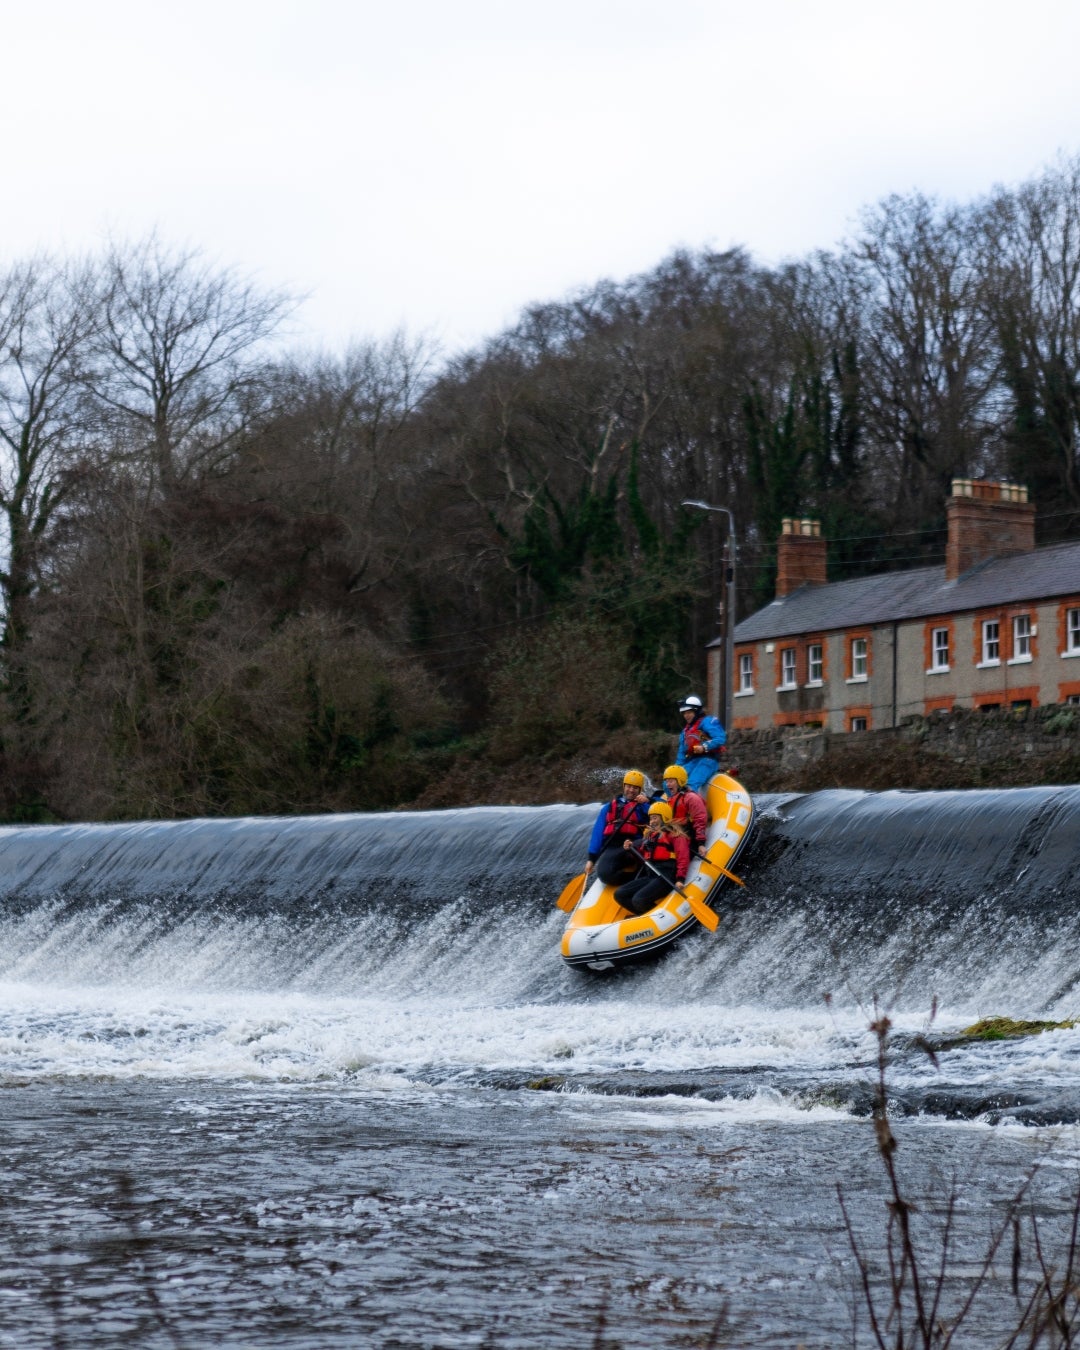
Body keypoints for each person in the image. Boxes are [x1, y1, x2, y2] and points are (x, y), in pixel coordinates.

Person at [613, 801, 690, 917]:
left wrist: (680, 879)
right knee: (619, 894)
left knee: (638, 900)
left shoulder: (674, 835)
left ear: (664, 817)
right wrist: (631, 849)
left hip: (666, 877)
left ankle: (659, 918)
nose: (652, 821)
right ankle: (644, 915)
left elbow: (683, 857)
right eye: (651, 819)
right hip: (651, 876)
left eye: (655, 818)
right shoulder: (650, 837)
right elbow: (642, 859)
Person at [585, 770, 650, 887]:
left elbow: (659, 812)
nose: (631, 790)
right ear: (624, 786)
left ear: (640, 790)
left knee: (638, 852)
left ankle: (646, 875)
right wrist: (592, 859)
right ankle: (637, 878)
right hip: (614, 846)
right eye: (629, 786)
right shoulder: (608, 807)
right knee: (604, 874)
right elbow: (597, 833)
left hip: (634, 844)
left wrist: (648, 801)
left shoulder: (643, 805)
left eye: (635, 788)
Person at [675, 694, 726, 793]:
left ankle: (690, 801)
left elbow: (720, 738)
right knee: (672, 779)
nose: (686, 715)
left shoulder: (708, 722)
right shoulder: (685, 732)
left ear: (697, 711)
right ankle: (673, 803)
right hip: (692, 762)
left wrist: (704, 747)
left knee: (691, 783)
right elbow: (681, 756)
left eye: (689, 712)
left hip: (708, 760)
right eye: (684, 713)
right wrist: (676, 771)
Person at [661, 764, 709, 855]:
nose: (668, 784)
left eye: (671, 781)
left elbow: (700, 819)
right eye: (667, 782)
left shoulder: (691, 798)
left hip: (688, 838)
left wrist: (701, 844)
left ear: (680, 781)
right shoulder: (671, 799)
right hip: (674, 834)